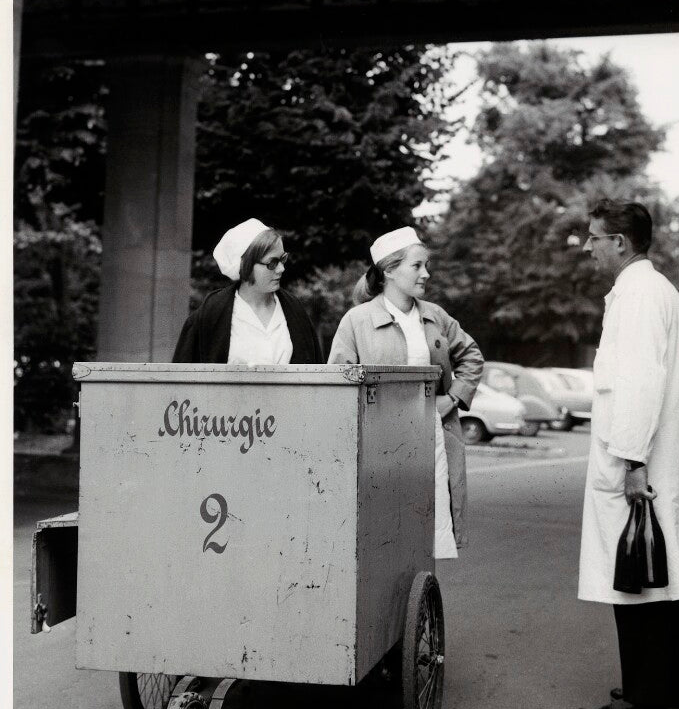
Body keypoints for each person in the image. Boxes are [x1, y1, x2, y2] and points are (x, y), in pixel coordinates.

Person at [576, 200, 679, 709]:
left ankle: (644, 702)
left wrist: (633, 461)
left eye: (594, 237)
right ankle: (671, 687)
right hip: (664, 456)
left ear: (620, 241)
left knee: (637, 575)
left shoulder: (637, 297)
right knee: (669, 572)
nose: (588, 247)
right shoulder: (661, 292)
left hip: (640, 460)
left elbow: (638, 383)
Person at [328, 226, 483, 558]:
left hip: (435, 440)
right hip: (380, 443)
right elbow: (339, 385)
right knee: (384, 536)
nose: (426, 274)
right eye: (417, 266)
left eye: (426, 265)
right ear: (389, 270)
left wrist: (453, 398)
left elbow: (471, 355)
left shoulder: (435, 316)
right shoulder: (357, 321)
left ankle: (421, 605)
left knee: (431, 532)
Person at [173, 218, 322, 365]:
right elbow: (184, 376)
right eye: (272, 263)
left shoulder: (294, 309)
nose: (281, 269)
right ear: (246, 265)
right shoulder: (213, 312)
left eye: (282, 259)